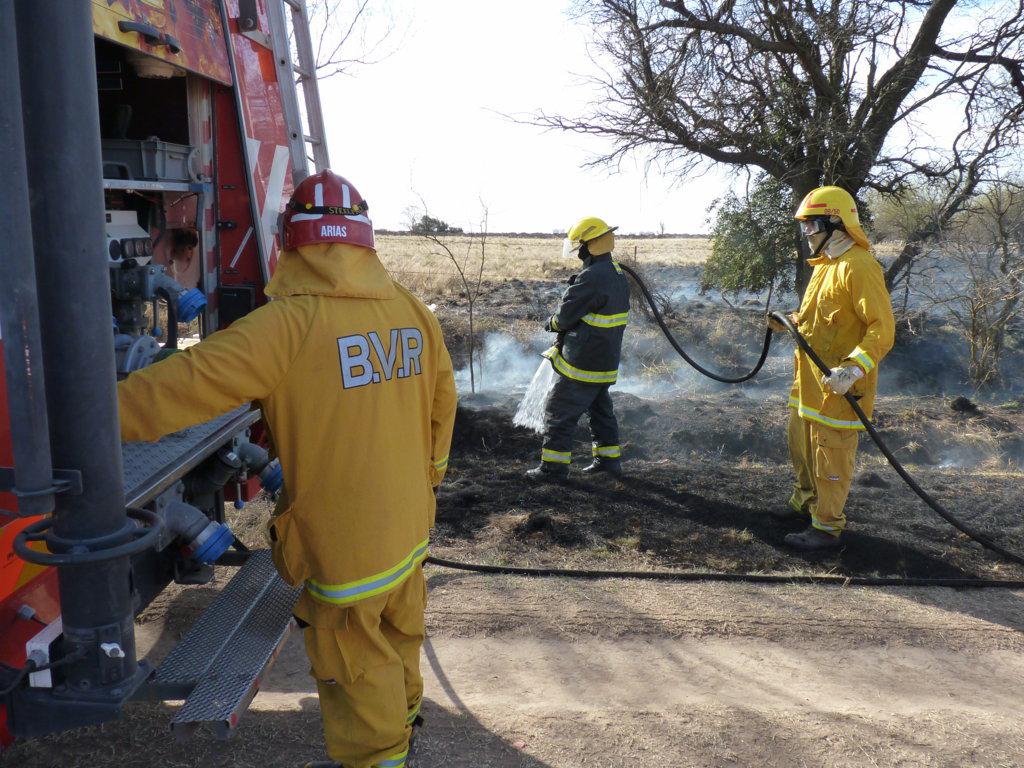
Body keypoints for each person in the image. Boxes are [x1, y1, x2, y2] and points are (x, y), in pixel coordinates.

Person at [117, 170, 458, 768]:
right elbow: (441, 407)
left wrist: (78, 418)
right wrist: (427, 480)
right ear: (363, 238)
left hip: (347, 546)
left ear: (290, 240)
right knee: (399, 633)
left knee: (358, 661)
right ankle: (405, 725)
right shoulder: (410, 311)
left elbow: (178, 388)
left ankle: (381, 756)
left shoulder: (286, 328)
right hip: (409, 527)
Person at [769, 185, 895, 551]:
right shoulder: (825, 266)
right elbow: (818, 320)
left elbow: (882, 329)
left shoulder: (860, 266)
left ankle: (825, 527)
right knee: (802, 445)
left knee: (830, 453)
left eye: (811, 225)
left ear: (835, 224)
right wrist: (788, 321)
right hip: (808, 383)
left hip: (840, 387)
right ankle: (805, 506)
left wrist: (854, 369)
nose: (807, 234)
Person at [527, 216, 630, 480]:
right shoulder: (617, 273)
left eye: (580, 246)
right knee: (600, 410)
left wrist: (551, 323)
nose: (578, 252)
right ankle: (608, 462)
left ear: (590, 245)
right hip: (605, 359)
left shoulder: (592, 277)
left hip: (583, 360)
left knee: (558, 410)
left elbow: (564, 317)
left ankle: (553, 469)